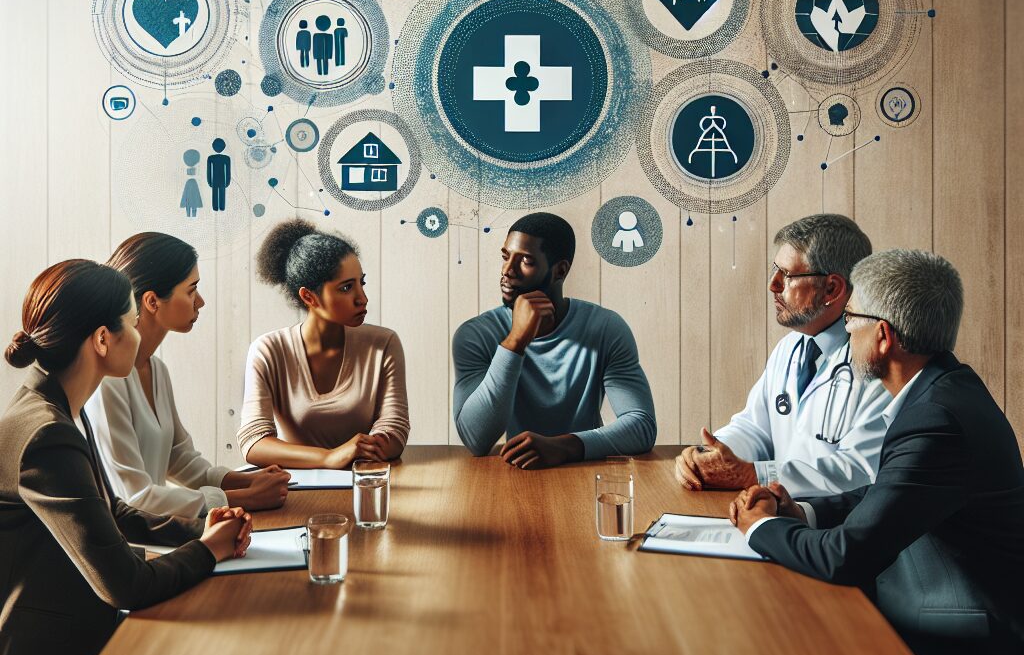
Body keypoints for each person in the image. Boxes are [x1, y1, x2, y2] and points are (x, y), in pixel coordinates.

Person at [730, 249, 1024, 655]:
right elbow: (891, 493)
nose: (845, 333)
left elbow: (847, 556)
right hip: (940, 616)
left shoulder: (937, 419)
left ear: (883, 335)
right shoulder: (941, 390)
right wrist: (800, 509)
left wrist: (761, 527)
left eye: (850, 321)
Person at [0, 259, 251, 655]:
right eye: (133, 323)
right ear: (102, 340)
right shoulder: (46, 434)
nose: (139, 335)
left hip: (79, 642)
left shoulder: (56, 408)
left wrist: (203, 528)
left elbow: (110, 512)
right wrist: (210, 550)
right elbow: (125, 584)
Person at [675, 214, 889, 497]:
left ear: (832, 289)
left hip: (831, 529)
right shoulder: (790, 348)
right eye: (774, 270)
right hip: (774, 513)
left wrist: (755, 475)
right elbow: (755, 428)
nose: (773, 285)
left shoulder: (878, 361)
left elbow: (859, 470)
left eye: (787, 275)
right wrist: (709, 454)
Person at [85, 233, 291, 519]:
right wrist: (242, 498)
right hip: (130, 546)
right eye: (192, 290)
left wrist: (245, 480)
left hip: (161, 533)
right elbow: (133, 497)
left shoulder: (157, 370)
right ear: (152, 301)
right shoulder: (107, 382)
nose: (201, 302)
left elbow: (178, 457)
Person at [453, 211, 657, 468]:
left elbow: (642, 425)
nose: (507, 271)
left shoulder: (606, 328)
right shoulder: (476, 334)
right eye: (505, 257)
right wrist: (515, 341)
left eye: (525, 260)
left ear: (560, 270)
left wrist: (564, 447)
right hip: (515, 471)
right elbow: (475, 439)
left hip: (586, 471)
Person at [238, 219, 410, 468]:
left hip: (367, 480)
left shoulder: (384, 345)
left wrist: (374, 445)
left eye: (362, 283)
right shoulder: (268, 351)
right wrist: (329, 457)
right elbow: (253, 442)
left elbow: (395, 427)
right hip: (296, 490)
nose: (362, 298)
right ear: (309, 296)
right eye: (346, 287)